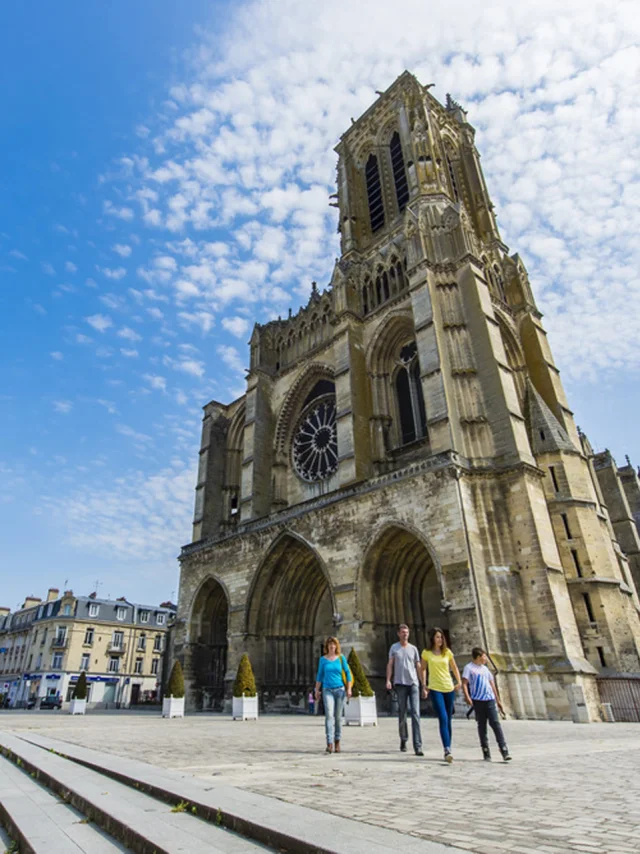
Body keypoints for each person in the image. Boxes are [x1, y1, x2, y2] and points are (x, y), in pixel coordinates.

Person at [462, 647, 512, 762]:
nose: (486, 659)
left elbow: (491, 684)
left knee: (495, 723)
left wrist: (498, 700)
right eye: (484, 656)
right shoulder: (469, 668)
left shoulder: (485, 669)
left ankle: (503, 749)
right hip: (478, 700)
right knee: (482, 725)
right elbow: (464, 683)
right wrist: (467, 697)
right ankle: (485, 749)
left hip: (489, 699)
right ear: (478, 657)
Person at [421, 627, 461, 763]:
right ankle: (447, 749)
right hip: (435, 688)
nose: (440, 639)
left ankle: (448, 746)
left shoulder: (447, 652)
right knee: (443, 717)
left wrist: (459, 681)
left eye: (441, 637)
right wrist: (424, 685)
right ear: (432, 638)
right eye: (437, 637)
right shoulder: (426, 653)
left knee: (448, 719)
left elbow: (454, 667)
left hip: (448, 687)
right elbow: (423, 669)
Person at [386, 624, 426, 756]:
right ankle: (403, 739)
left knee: (415, 713)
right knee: (402, 713)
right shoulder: (394, 648)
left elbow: (418, 666)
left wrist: (423, 684)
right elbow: (390, 664)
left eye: (407, 632)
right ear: (398, 634)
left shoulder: (413, 649)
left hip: (413, 683)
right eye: (403, 632)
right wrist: (388, 680)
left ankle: (418, 745)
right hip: (400, 684)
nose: (405, 634)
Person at [314, 637, 352, 753]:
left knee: (338, 717)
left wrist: (349, 688)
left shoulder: (341, 658)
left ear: (336, 646)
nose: (332, 646)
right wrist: (316, 690)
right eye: (330, 644)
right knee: (329, 715)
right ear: (327, 646)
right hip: (327, 690)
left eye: (334, 644)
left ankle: (337, 741)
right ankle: (329, 743)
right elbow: (320, 675)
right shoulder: (323, 660)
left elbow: (348, 673)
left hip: (340, 689)